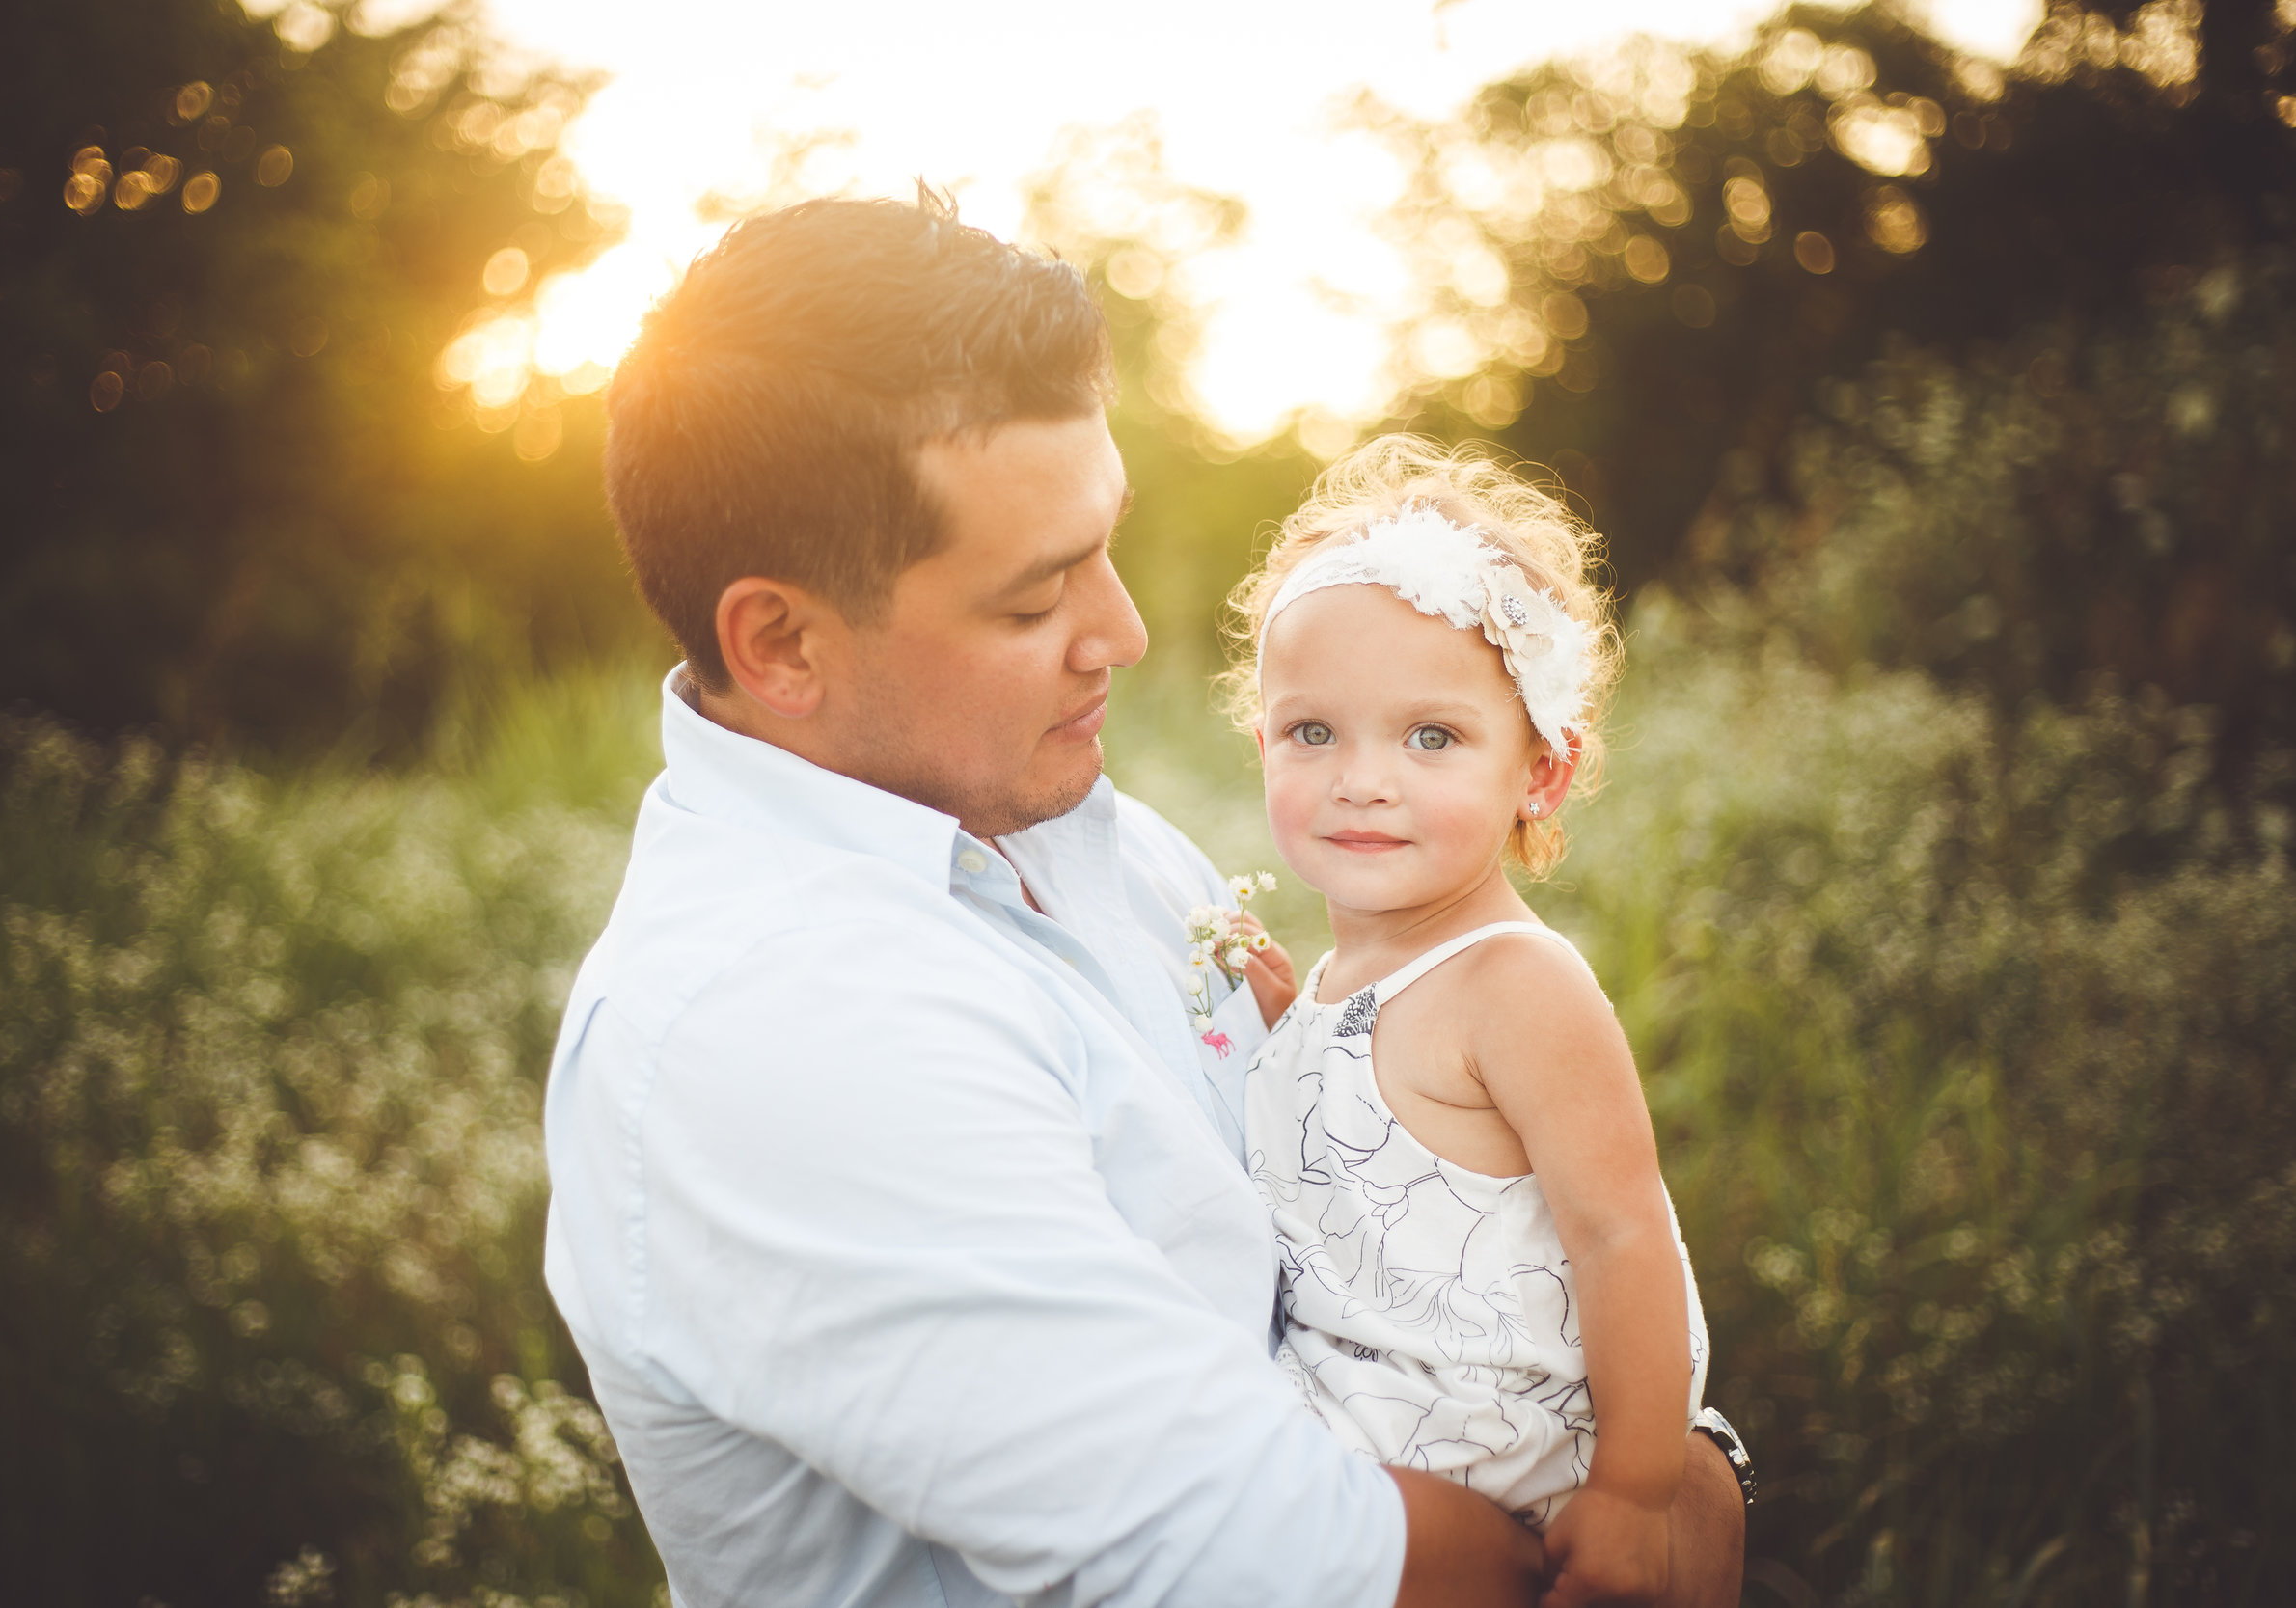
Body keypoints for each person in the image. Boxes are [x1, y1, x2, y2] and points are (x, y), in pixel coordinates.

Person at [540, 189, 1748, 1606]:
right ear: (783, 640)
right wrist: (1611, 1527)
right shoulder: (768, 1025)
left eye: (1105, 543)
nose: (1126, 630)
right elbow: (1263, 1558)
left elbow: (1475, 1226)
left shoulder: (1079, 833)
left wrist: (1683, 1471)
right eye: (1038, 594)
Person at [1226, 439, 1724, 1606]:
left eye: (1431, 737)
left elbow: (1623, 1235)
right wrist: (1292, 1020)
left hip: (1514, 1481)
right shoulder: (1349, 978)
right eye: (1313, 733)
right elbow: (1381, 1133)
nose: (1362, 779)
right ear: (1261, 744)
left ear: (1540, 773)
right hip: (1363, 1459)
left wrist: (1638, 1491)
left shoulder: (1515, 981)